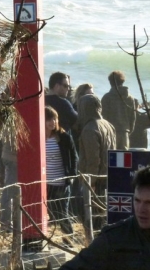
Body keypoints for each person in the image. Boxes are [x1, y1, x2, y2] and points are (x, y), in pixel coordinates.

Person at [77, 94, 116, 230]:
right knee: (103, 213)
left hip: (95, 180)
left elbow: (93, 160)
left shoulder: (89, 129)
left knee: (92, 217)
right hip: (108, 176)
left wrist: (90, 183)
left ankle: (92, 244)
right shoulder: (109, 125)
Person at [44, 106, 78, 235]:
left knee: (62, 213)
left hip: (61, 182)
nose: (52, 122)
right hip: (46, 183)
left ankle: (69, 240)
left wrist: (72, 175)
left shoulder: (64, 137)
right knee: (50, 212)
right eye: (49, 119)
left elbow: (74, 157)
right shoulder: (39, 138)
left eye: (54, 118)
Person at [101, 70, 136, 150]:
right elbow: (132, 119)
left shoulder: (107, 98)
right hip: (125, 133)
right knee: (124, 160)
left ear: (110, 82)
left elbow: (103, 117)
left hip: (110, 133)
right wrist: (128, 131)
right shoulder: (130, 98)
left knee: (111, 159)